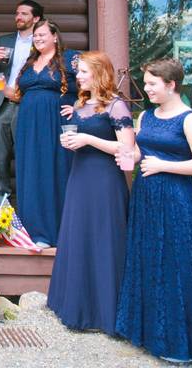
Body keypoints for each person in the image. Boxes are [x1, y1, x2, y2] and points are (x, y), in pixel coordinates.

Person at [116, 58, 192, 364]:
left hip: (177, 199)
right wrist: (130, 154)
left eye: (152, 84)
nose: (146, 89)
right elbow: (144, 150)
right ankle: (150, 334)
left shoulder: (190, 119)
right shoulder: (146, 115)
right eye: (146, 83)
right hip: (146, 198)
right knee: (149, 261)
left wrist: (163, 165)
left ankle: (181, 342)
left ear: (171, 85)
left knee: (178, 265)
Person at [48, 51, 133, 336]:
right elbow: (81, 138)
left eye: (84, 72)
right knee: (79, 235)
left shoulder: (116, 106)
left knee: (103, 238)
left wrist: (88, 139)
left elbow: (127, 150)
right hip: (80, 176)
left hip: (105, 180)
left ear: (100, 73)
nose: (78, 77)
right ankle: (77, 307)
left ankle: (104, 311)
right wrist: (72, 141)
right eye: (78, 72)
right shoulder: (81, 104)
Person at [12, 19, 78, 248]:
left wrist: (79, 106)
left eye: (42, 35)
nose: (38, 39)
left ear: (55, 37)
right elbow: (19, 94)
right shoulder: (30, 62)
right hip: (28, 124)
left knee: (54, 170)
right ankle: (33, 231)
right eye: (35, 36)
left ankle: (56, 232)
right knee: (31, 170)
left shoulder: (71, 59)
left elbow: (94, 82)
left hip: (55, 122)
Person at [0, 0, 43, 203]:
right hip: (2, 105)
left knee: (26, 156)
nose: (18, 17)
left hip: (28, 105)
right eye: (17, 13)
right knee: (1, 158)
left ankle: (27, 204)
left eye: (24, 14)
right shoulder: (4, 41)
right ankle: (2, 205)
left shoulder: (41, 43)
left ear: (36, 18)